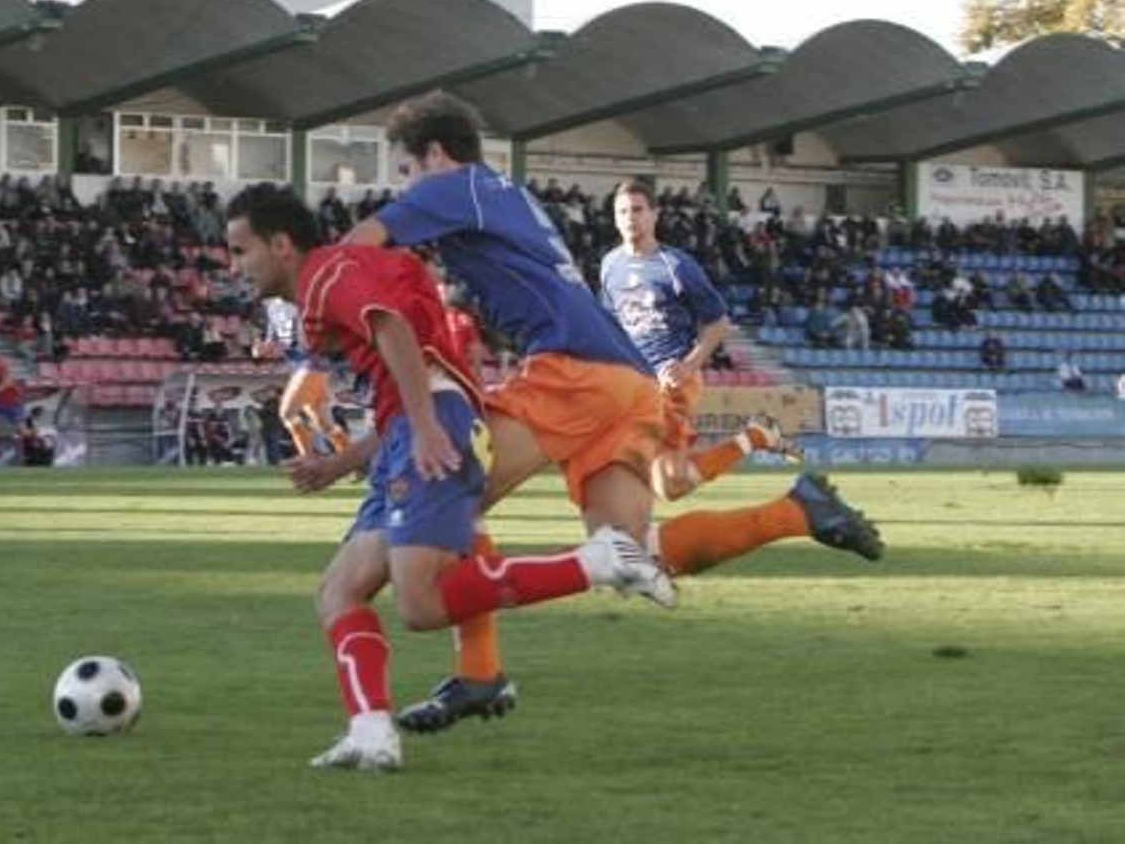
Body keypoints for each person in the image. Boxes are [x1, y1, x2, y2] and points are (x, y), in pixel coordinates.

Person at [335, 92, 881, 733]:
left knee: (449, 496)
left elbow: (355, 251)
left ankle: (480, 674)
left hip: (571, 369)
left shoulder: (455, 184)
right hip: (624, 378)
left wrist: (308, 318)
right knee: (632, 549)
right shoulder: (503, 193)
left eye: (405, 169)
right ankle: (795, 511)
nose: (406, 185)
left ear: (433, 152)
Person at [227, 184, 673, 773]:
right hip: (405, 434)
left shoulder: (328, 274)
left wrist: (426, 427)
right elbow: (395, 355)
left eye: (240, 250)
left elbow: (393, 329)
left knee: (420, 603)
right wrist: (339, 462)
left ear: (280, 244)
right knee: (339, 589)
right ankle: (370, 733)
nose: (235, 266)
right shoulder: (327, 279)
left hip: (428, 425)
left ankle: (601, 561)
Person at [603, 179, 803, 501]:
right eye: (622, 211)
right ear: (614, 218)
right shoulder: (609, 265)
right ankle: (753, 438)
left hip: (671, 382)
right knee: (667, 487)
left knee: (640, 477)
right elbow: (611, 324)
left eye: (638, 210)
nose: (630, 218)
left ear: (655, 214)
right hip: (631, 382)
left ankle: (626, 540)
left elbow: (718, 322)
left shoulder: (676, 266)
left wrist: (688, 365)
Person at [257, 296, 348, 458]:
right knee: (324, 423)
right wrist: (261, 349)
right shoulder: (271, 307)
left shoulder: (302, 297)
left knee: (287, 413)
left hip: (313, 362)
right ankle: (353, 460)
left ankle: (307, 459)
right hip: (299, 365)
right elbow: (272, 343)